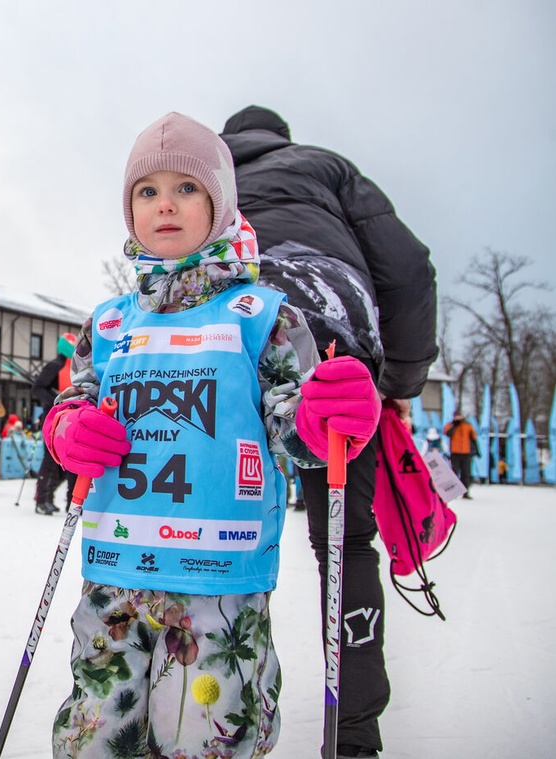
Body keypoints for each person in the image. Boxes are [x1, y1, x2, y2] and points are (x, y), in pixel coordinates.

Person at [42, 112, 380, 758]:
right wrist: (67, 429)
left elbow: (295, 429)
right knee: (95, 734)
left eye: (186, 188)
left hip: (217, 585)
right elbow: (76, 396)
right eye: (147, 191)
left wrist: (325, 415)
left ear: (221, 205)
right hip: (116, 579)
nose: (164, 203)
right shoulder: (110, 321)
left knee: (208, 735)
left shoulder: (261, 315)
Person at [222, 104, 438, 759]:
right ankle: (353, 734)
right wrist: (396, 382)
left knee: (208, 519)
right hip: (333, 328)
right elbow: (407, 270)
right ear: (281, 138)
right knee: (343, 541)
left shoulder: (207, 173)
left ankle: (193, 704)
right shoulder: (330, 168)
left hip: (232, 328)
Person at [32, 334, 77, 515]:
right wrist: (55, 400)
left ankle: (59, 498)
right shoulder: (55, 366)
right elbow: (38, 388)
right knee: (51, 460)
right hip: (53, 417)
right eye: (71, 344)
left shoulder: (76, 367)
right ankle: (42, 499)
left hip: (70, 417)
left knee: (67, 461)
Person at [443, 411, 477, 498]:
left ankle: (465, 492)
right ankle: (452, 492)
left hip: (466, 453)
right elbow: (448, 433)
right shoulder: (450, 425)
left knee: (465, 473)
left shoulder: (467, 426)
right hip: (455, 453)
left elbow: (474, 437)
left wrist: (476, 450)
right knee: (454, 472)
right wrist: (455, 425)